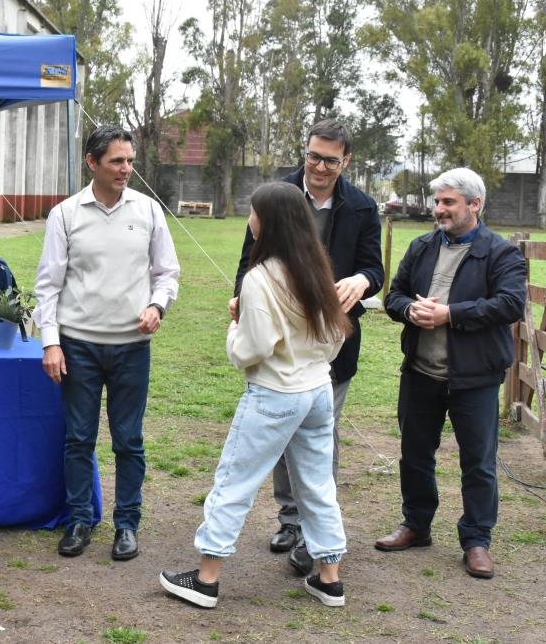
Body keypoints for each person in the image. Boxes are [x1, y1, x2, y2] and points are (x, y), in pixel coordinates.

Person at [160, 181, 352, 609]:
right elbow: (335, 335)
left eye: (253, 212)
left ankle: (206, 579)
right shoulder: (318, 269)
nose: (250, 218)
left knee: (234, 481)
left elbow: (252, 349)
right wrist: (250, 319)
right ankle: (329, 579)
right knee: (318, 486)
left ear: (266, 221)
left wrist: (235, 326)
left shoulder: (260, 278)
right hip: (318, 391)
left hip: (274, 395)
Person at [233, 119, 382, 576]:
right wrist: (242, 299)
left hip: (331, 345)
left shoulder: (362, 207)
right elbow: (249, 259)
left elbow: (375, 269)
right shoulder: (277, 196)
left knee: (320, 437)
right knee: (281, 432)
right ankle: (290, 519)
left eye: (330, 161)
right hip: (279, 344)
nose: (319, 167)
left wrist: (361, 280)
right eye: (313, 156)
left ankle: (316, 536)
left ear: (346, 161)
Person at [32, 125, 180, 561]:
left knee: (128, 440)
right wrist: (50, 343)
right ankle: (80, 520)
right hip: (78, 346)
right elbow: (48, 284)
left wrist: (157, 306)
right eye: (117, 161)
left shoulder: (148, 210)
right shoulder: (65, 214)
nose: (126, 169)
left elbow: (167, 273)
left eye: (130, 160)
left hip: (132, 347)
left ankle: (127, 524)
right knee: (78, 438)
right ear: (92, 162)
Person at [377, 168, 525, 580]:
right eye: (437, 202)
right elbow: (393, 296)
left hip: (475, 378)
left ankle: (476, 540)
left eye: (448, 202)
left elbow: (510, 304)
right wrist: (409, 309)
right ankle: (416, 524)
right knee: (415, 453)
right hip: (420, 372)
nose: (438, 209)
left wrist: (450, 314)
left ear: (475, 204)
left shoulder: (500, 253)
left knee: (478, 462)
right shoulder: (422, 247)